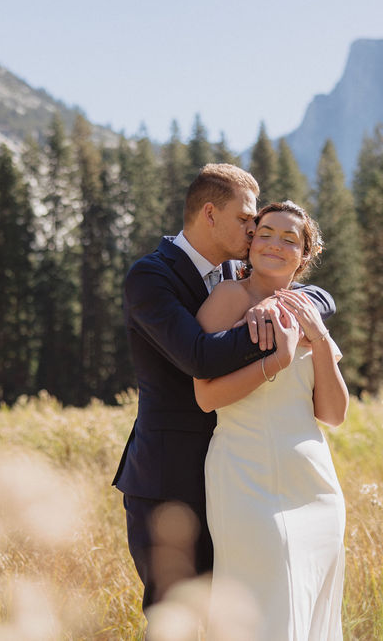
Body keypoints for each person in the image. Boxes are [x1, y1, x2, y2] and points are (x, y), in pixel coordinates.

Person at [112, 164, 335, 613]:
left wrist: (282, 303)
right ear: (210, 214)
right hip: (169, 479)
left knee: (242, 609)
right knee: (173, 612)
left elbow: (317, 292)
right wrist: (276, 330)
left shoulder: (238, 269)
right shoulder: (151, 277)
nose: (254, 232)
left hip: (239, 477)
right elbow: (197, 354)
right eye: (245, 220)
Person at [195, 201, 348, 641]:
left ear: (305, 255)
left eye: (289, 239)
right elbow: (205, 397)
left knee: (312, 611)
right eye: (265, 233)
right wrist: (278, 359)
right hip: (245, 478)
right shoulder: (228, 299)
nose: (275, 244)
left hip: (314, 484)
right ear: (250, 243)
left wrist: (316, 338)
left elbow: (333, 414)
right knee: (263, 610)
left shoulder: (308, 309)